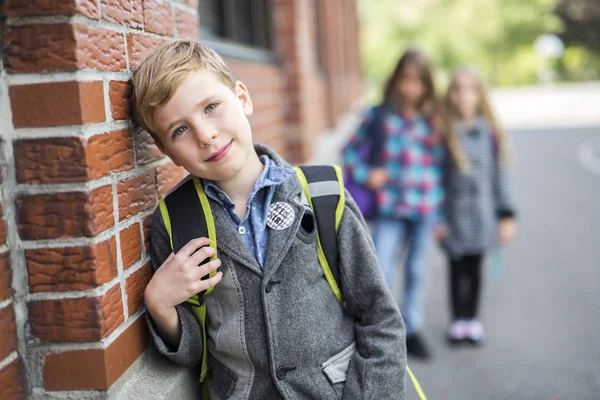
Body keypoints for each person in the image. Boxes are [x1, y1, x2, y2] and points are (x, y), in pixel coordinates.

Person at [132, 39, 407, 399]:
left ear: (242, 98)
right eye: (179, 130)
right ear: (168, 152)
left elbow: (380, 318)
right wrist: (160, 305)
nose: (206, 134)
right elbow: (194, 352)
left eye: (211, 107)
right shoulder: (178, 221)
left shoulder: (322, 194)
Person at [342, 49, 443, 359]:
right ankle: (380, 330)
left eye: (418, 82)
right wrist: (367, 174)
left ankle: (412, 329)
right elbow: (349, 152)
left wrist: (443, 213)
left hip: (425, 208)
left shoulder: (434, 119)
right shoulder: (379, 115)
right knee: (381, 269)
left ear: (427, 85)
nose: (411, 88)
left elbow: (445, 164)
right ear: (396, 80)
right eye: (406, 80)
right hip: (390, 209)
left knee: (416, 271)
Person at [437, 66, 517, 345]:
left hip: (482, 215)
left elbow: (500, 176)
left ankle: (472, 320)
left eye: (470, 89)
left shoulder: (490, 134)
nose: (464, 96)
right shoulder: (444, 132)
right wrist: (438, 217)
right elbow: (437, 178)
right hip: (454, 216)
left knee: (475, 269)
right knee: (457, 269)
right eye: (457, 89)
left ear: (479, 95)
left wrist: (506, 215)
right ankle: (458, 320)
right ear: (450, 95)